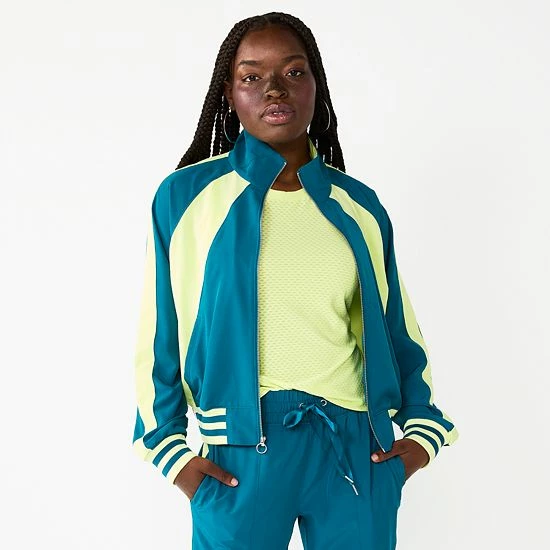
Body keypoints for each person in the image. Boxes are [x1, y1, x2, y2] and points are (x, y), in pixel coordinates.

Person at [131, 11, 459, 550]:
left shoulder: (359, 206)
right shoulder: (186, 198)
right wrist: (169, 451)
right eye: (252, 76)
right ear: (228, 93)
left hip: (355, 448)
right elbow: (157, 332)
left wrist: (423, 432)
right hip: (239, 452)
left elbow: (395, 323)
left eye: (293, 72)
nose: (275, 89)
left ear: (316, 85)